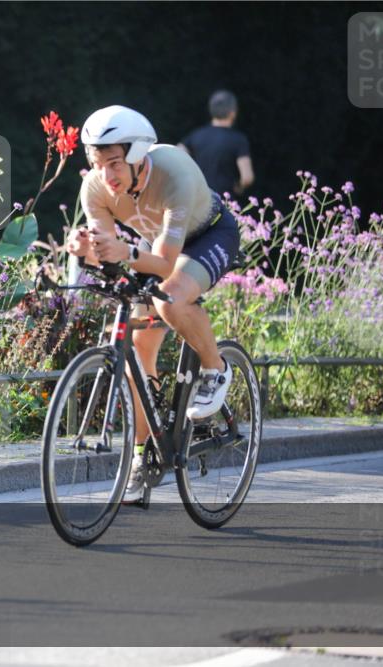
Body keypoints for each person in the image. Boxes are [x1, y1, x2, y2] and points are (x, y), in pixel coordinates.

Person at [66, 105, 241, 501]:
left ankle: (215, 369)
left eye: (114, 163)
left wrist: (125, 252)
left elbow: (163, 264)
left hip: (209, 236)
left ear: (137, 155)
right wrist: (85, 249)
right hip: (154, 243)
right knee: (135, 349)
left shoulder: (174, 172)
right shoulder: (95, 187)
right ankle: (143, 457)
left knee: (170, 301)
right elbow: (108, 254)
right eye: (97, 164)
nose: (106, 176)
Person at [178, 90, 254, 196]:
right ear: (232, 113)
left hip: (198, 197)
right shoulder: (238, 140)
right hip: (222, 199)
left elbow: (177, 152)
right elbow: (247, 177)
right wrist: (239, 187)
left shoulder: (197, 135)